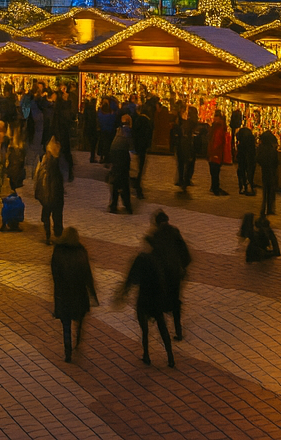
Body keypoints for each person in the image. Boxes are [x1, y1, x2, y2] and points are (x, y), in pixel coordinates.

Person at [120, 249, 174, 368]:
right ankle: (170, 356)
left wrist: (125, 291)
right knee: (162, 327)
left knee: (144, 330)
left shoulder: (140, 263)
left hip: (144, 299)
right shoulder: (157, 263)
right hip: (156, 300)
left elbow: (133, 280)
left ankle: (146, 355)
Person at [50, 227, 97, 363]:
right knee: (79, 317)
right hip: (79, 293)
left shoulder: (58, 251)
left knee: (66, 323)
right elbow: (87, 274)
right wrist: (92, 292)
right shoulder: (80, 251)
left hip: (63, 293)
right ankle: (78, 338)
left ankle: (67, 350)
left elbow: (55, 273)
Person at [145, 210, 191, 340]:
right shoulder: (174, 232)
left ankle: (160, 326)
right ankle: (178, 331)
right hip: (175, 272)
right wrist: (183, 268)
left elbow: (154, 256)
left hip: (163, 274)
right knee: (175, 301)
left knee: (160, 299)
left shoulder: (156, 236)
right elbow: (184, 252)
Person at [35, 137, 65, 243]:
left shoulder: (44, 161)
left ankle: (48, 234)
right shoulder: (57, 162)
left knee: (47, 214)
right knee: (57, 215)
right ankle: (57, 235)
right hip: (55, 193)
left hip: (47, 193)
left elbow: (39, 178)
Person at [107, 115, 133, 213]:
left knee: (115, 181)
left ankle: (113, 204)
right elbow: (131, 146)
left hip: (115, 155)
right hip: (122, 156)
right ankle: (127, 205)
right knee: (124, 181)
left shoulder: (118, 131)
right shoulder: (127, 132)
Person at [206, 110, 232, 196]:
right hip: (216, 154)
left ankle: (214, 186)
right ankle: (215, 188)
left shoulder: (215, 128)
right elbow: (217, 142)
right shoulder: (219, 129)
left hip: (214, 153)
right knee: (215, 171)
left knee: (214, 171)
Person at [255, 130, 279, 216]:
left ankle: (263, 208)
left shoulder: (261, 148)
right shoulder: (272, 149)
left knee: (265, 190)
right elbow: (276, 161)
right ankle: (270, 208)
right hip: (271, 171)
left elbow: (258, 158)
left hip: (264, 170)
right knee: (271, 190)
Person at [131, 106, 153, 199]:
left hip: (137, 146)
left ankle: (136, 183)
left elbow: (134, 133)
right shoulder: (148, 122)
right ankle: (138, 185)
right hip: (143, 147)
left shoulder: (137, 120)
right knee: (140, 166)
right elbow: (149, 136)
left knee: (136, 166)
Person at [54, 89, 75, 181]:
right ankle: (68, 173)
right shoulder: (66, 107)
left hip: (61, 132)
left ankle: (63, 174)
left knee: (61, 154)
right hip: (64, 132)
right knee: (66, 153)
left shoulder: (59, 107)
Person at [234, 120, 256, 195]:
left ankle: (243, 187)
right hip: (250, 159)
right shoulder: (251, 143)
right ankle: (250, 187)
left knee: (241, 172)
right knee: (250, 173)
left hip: (243, 159)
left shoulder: (241, 145)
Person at [96, 96, 117, 164]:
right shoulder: (112, 114)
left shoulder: (100, 113)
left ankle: (102, 157)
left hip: (103, 130)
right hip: (110, 130)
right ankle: (107, 158)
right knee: (108, 145)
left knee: (103, 144)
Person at [83, 95, 99, 163]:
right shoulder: (93, 110)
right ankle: (92, 157)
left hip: (87, 127)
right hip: (92, 127)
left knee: (91, 142)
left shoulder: (87, 109)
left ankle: (92, 156)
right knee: (93, 143)